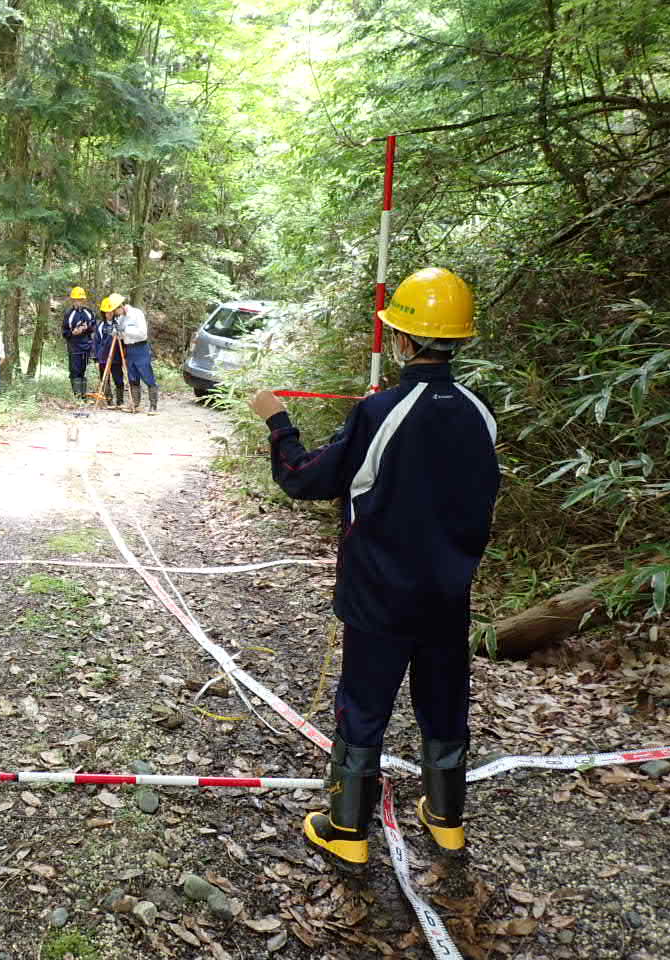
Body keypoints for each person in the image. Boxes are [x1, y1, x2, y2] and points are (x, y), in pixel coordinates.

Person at [248, 267, 498, 866]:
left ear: (403, 340)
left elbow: (302, 477)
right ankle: (446, 821)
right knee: (443, 699)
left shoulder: (379, 411)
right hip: (448, 594)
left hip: (379, 596)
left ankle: (346, 831)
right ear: (459, 338)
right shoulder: (479, 413)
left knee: (363, 703)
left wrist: (277, 419)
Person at [102, 294, 158, 415]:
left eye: (115, 311)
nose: (115, 314)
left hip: (141, 348)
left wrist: (125, 330)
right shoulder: (121, 318)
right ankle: (135, 404)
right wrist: (113, 331)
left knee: (147, 375)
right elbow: (121, 336)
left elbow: (142, 333)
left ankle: (153, 406)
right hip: (129, 349)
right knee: (132, 377)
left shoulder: (137, 314)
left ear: (120, 306)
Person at [62, 287, 97, 402]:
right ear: (73, 300)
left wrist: (87, 328)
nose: (79, 302)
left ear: (84, 300)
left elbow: (93, 325)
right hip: (74, 346)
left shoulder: (88, 312)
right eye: (77, 300)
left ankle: (83, 395)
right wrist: (73, 333)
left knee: (83, 370)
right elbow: (64, 332)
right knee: (74, 370)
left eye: (81, 300)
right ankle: (77, 397)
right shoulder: (69, 314)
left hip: (86, 346)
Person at [92, 302, 125, 407]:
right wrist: (96, 356)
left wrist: (124, 354)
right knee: (105, 380)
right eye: (107, 312)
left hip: (116, 357)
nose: (109, 313)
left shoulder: (119, 323)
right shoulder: (100, 325)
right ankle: (109, 400)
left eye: (111, 311)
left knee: (118, 379)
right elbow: (96, 342)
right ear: (104, 313)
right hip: (103, 357)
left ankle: (120, 401)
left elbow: (123, 340)